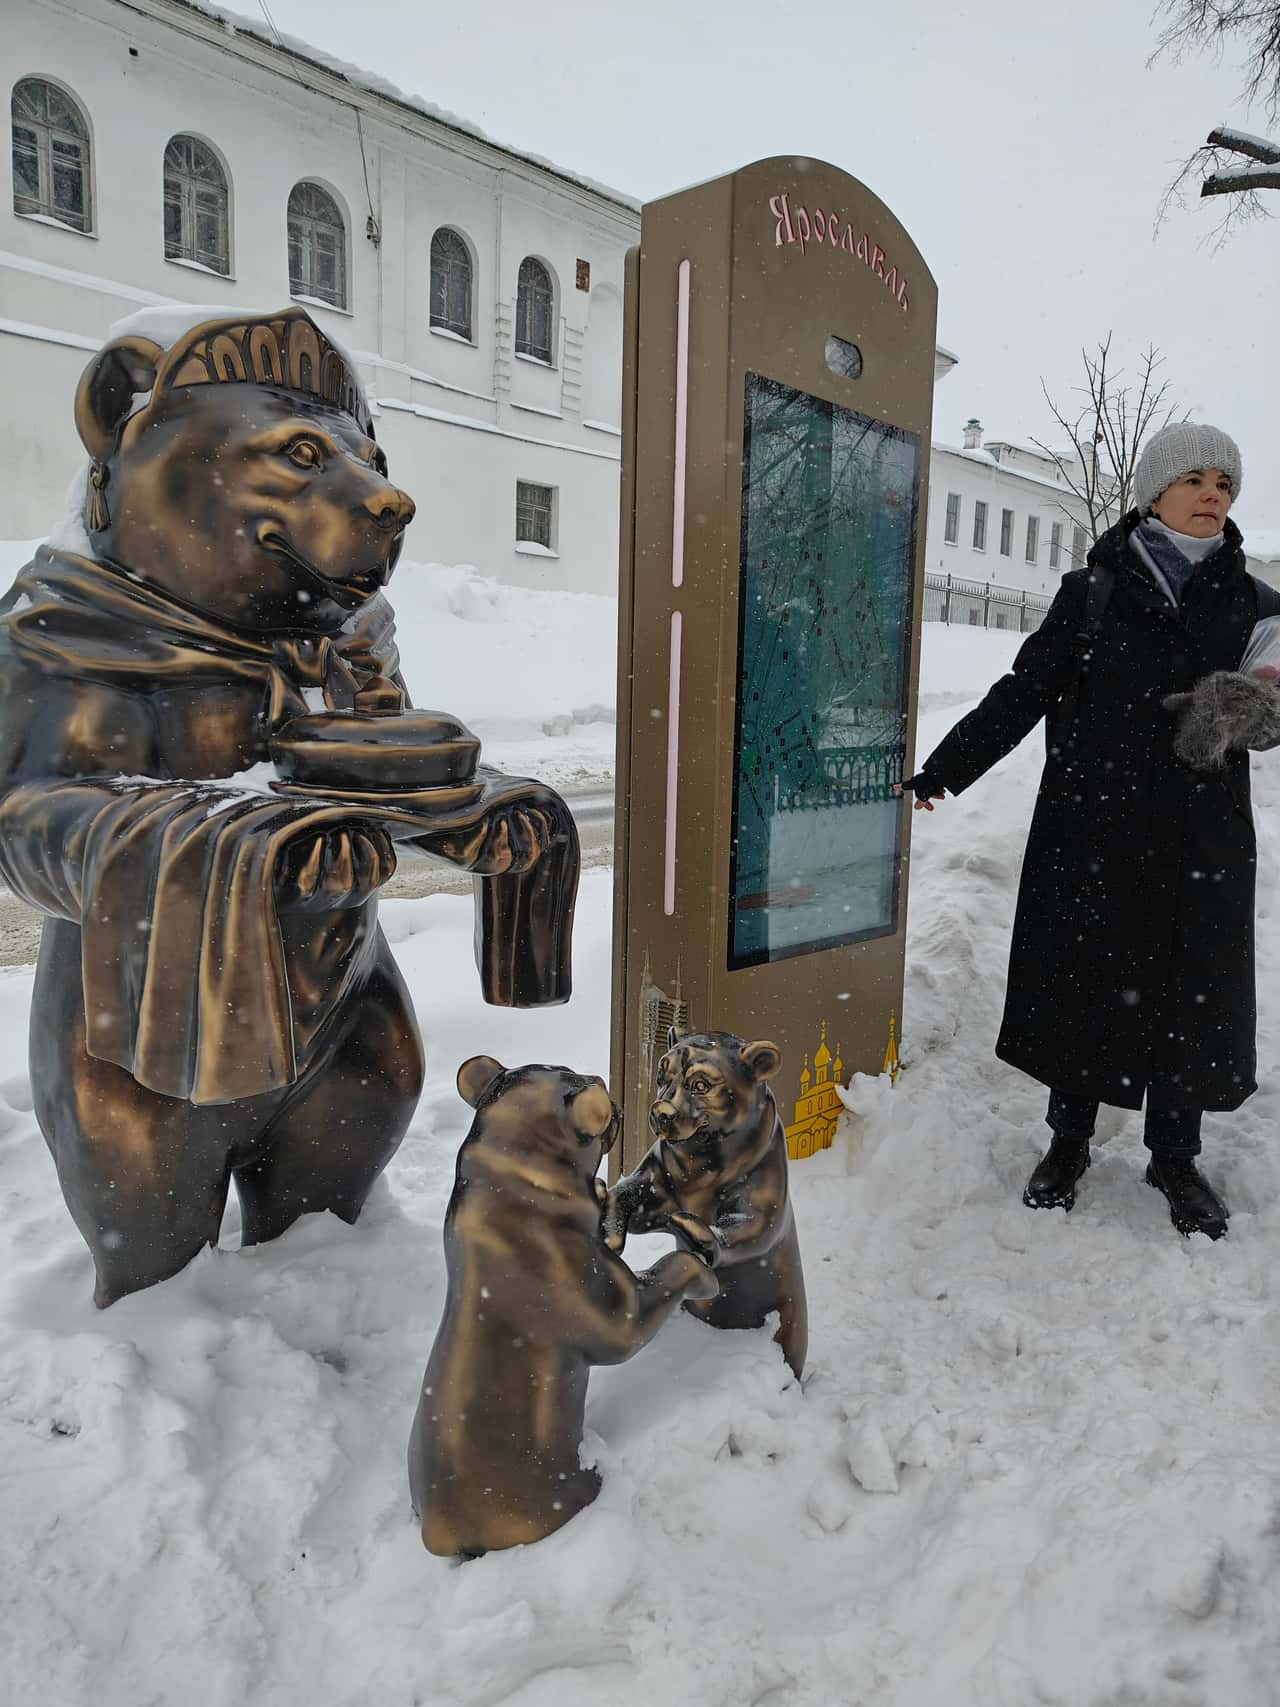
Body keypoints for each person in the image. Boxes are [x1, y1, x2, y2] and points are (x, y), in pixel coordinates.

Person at [897, 423, 1280, 1240]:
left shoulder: (1256, 604)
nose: (1214, 493)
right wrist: (945, 767)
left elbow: (1274, 712)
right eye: (1198, 479)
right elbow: (1023, 689)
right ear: (1155, 492)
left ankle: (1175, 1154)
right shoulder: (1094, 590)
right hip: (1094, 826)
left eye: (1226, 483)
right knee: (1084, 980)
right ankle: (1068, 1141)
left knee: (1190, 990)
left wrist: (1257, 709)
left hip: (1200, 835)